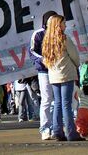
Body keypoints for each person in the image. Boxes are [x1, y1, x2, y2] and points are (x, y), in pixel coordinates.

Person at [41, 14, 84, 142]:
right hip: (66, 74)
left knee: (58, 104)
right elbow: (74, 56)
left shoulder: (47, 41)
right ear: (58, 25)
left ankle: (57, 131)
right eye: (63, 23)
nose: (65, 25)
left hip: (53, 76)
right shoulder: (64, 39)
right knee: (67, 104)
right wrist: (77, 65)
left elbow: (45, 59)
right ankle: (71, 132)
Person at [30, 10, 57, 140]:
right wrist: (43, 59)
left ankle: (55, 127)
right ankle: (45, 128)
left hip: (58, 70)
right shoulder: (38, 34)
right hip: (43, 71)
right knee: (47, 99)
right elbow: (32, 52)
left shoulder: (59, 33)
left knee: (56, 101)